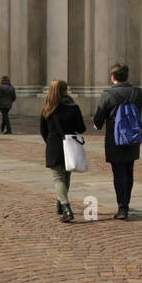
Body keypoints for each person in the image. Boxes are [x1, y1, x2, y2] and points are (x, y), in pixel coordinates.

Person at [93, 63, 142, 219]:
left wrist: (98, 124)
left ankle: (122, 207)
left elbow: (98, 119)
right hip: (132, 136)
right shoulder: (138, 93)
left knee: (118, 173)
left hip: (114, 139)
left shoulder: (107, 95)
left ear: (112, 77)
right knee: (129, 171)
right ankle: (126, 204)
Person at [40, 79, 86, 223]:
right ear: (66, 90)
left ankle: (65, 207)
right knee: (66, 176)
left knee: (58, 178)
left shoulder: (47, 108)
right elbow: (82, 128)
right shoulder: (73, 107)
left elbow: (43, 130)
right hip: (70, 144)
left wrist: (50, 141)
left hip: (54, 145)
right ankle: (61, 203)